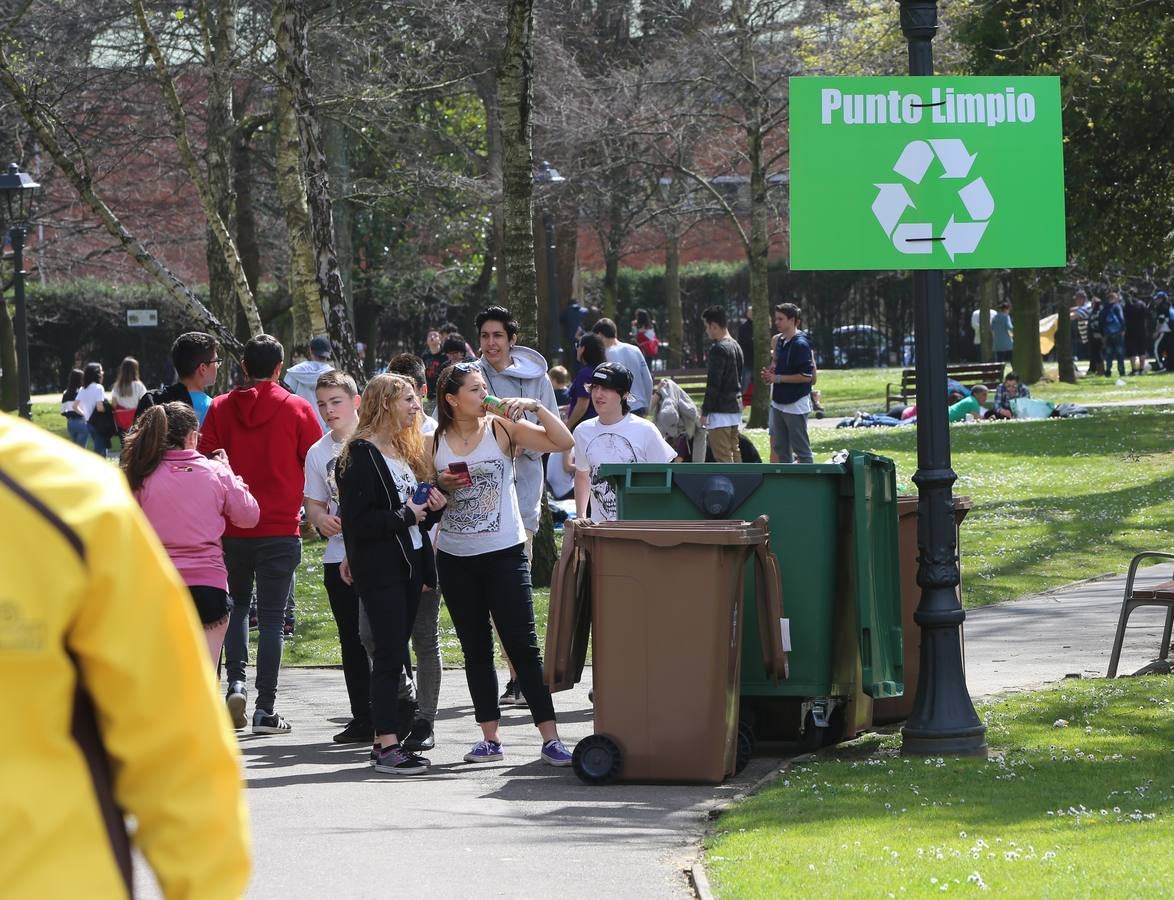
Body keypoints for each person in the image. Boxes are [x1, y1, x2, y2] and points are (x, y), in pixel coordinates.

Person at [0, 413, 250, 898]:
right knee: (206, 675)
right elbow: (176, 738)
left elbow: (173, 739)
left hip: (48, 878)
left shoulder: (76, 498)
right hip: (207, 585)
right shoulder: (71, 494)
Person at [432, 362, 576, 767]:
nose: (484, 395)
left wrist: (534, 406)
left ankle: (550, 738)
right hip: (456, 557)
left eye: (484, 388)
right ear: (452, 399)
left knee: (523, 648)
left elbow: (562, 441)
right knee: (475, 649)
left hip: (504, 553)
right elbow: (424, 490)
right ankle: (489, 739)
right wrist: (441, 485)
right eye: (475, 390)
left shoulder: (501, 428)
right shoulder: (433, 439)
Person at [199, 334, 322, 734]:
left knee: (234, 610)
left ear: (244, 367)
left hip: (232, 528)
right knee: (271, 620)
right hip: (280, 527)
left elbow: (206, 461)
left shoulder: (218, 408)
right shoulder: (297, 408)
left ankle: (235, 682)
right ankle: (265, 709)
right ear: (279, 367)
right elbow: (315, 461)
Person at [337, 374, 447, 775]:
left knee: (394, 654)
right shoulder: (361, 455)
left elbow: (415, 515)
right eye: (407, 400)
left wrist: (434, 505)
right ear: (384, 403)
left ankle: (390, 738)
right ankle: (385, 744)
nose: (416, 407)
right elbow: (358, 522)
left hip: (410, 564)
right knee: (387, 657)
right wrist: (407, 515)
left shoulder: (402, 450)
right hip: (381, 568)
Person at [122, 402, 260, 664]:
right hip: (209, 586)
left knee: (162, 676)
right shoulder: (216, 472)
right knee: (205, 679)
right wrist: (230, 474)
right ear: (192, 436)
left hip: (157, 586)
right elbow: (249, 516)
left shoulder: (140, 476)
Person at [303, 369, 372, 744]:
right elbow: (313, 502)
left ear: (355, 401)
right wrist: (320, 519)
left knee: (381, 637)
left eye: (336, 402)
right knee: (350, 638)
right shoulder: (318, 451)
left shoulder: (377, 440)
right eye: (322, 405)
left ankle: (396, 714)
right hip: (337, 556)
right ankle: (362, 716)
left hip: (377, 553)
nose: (329, 411)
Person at [384, 352, 443, 752]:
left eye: (411, 396)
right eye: (398, 396)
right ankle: (404, 695)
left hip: (427, 550)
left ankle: (425, 720)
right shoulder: (380, 442)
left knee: (425, 638)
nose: (409, 405)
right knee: (376, 635)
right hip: (387, 553)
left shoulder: (435, 436)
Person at [573, 362, 678, 521]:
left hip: (641, 530)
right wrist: (580, 516)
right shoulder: (582, 431)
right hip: (601, 533)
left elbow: (668, 475)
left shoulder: (646, 430)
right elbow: (582, 474)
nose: (598, 394)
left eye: (606, 388)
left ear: (624, 394)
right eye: (595, 387)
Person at [762, 302, 814, 464]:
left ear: (792, 320)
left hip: (795, 403)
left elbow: (807, 376)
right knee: (780, 448)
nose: (776, 322)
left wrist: (778, 379)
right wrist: (771, 373)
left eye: (780, 319)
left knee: (801, 450)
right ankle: (787, 485)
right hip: (778, 402)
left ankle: (808, 484)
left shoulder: (801, 344)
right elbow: (778, 366)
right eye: (775, 318)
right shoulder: (780, 341)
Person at [135, 331, 222, 426]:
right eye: (217, 361)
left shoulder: (152, 401)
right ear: (203, 368)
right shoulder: (214, 409)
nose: (218, 365)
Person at [700, 306, 744, 463]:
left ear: (714, 326)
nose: (707, 331)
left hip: (720, 411)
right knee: (734, 451)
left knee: (723, 457)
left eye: (707, 327)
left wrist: (705, 411)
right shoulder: (736, 346)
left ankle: (732, 486)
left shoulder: (718, 349)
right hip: (735, 407)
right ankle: (741, 484)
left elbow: (714, 384)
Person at [592, 317, 654, 416]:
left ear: (599, 334)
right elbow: (648, 380)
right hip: (640, 406)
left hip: (620, 409)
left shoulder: (606, 354)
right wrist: (648, 404)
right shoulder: (635, 349)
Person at [283, 335, 334, 433]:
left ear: (310, 351)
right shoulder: (335, 376)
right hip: (328, 432)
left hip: (300, 429)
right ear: (328, 353)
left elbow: (286, 401)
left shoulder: (294, 373)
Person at [566, 332, 606, 428]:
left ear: (583, 349)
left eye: (578, 346)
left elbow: (582, 405)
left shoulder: (585, 374)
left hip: (583, 427)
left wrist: (567, 426)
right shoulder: (603, 370)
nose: (577, 349)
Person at [74, 361, 111, 456]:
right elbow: (99, 408)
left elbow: (75, 406)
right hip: (99, 424)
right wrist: (108, 409)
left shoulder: (83, 389)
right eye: (101, 371)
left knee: (100, 447)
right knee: (100, 451)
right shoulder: (99, 388)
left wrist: (85, 414)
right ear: (96, 374)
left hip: (89, 424)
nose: (103, 373)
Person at [110, 356, 148, 433]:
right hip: (135, 420)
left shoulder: (117, 386)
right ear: (135, 370)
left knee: (124, 443)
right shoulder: (139, 385)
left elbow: (114, 405)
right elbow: (145, 401)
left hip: (121, 421)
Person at [60, 367, 89, 446]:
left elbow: (62, 411)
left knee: (76, 448)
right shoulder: (82, 391)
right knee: (82, 450)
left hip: (71, 423)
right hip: (82, 421)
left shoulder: (66, 393)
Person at [1100, 290, 1126, 377]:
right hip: (1117, 333)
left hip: (1107, 334)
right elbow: (1121, 318)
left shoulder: (1105, 308)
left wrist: (1102, 333)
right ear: (1115, 298)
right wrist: (1123, 329)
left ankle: (1108, 371)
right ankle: (1121, 371)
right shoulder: (1117, 307)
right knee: (1120, 353)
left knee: (1109, 354)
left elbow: (1101, 321)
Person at [1124, 292, 1152, 375]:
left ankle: (1134, 370)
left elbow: (1124, 317)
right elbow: (1147, 315)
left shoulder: (1128, 305)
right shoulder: (1142, 304)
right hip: (1141, 330)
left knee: (1132, 352)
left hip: (1130, 330)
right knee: (1142, 351)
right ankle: (1142, 369)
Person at [421, 328, 448, 399]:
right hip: (429, 395)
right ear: (427, 341)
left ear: (440, 340)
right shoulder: (425, 357)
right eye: (430, 335)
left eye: (435, 335)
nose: (432, 337)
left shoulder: (445, 356)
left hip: (443, 393)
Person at [1153, 291, 1173, 372]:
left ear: (1162, 299)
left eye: (1158, 299)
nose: (1156, 300)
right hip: (1172, 331)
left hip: (1165, 330)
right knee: (1170, 349)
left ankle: (1161, 366)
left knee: (1156, 348)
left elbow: (1161, 320)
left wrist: (1157, 331)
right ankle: (1170, 366)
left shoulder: (1161, 307)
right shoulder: (1170, 306)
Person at [737, 305, 755, 391]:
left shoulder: (759, 325)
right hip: (747, 361)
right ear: (748, 314)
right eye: (751, 312)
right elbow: (744, 342)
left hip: (757, 362)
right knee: (743, 384)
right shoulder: (743, 327)